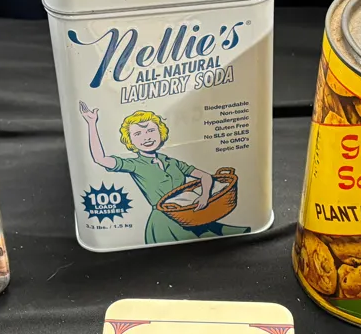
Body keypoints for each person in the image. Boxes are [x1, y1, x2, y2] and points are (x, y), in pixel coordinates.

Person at [79, 102, 247, 244]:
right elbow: (100, 159)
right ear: (130, 141)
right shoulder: (135, 165)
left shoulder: (172, 162)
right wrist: (92, 124)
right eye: (138, 134)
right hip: (165, 222)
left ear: (160, 132)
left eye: (151, 131)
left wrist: (204, 196)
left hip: (192, 215)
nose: (146, 137)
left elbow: (205, 176)